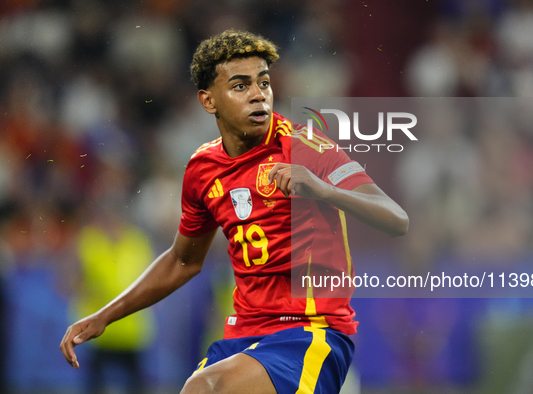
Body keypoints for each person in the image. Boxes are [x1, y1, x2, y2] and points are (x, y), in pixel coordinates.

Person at [60, 29, 409, 394]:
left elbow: (395, 219)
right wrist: (104, 316)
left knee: (206, 388)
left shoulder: (306, 147)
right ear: (209, 101)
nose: (258, 94)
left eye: (264, 82)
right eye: (241, 86)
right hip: (245, 335)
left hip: (309, 332)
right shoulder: (203, 168)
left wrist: (324, 190)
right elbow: (183, 260)